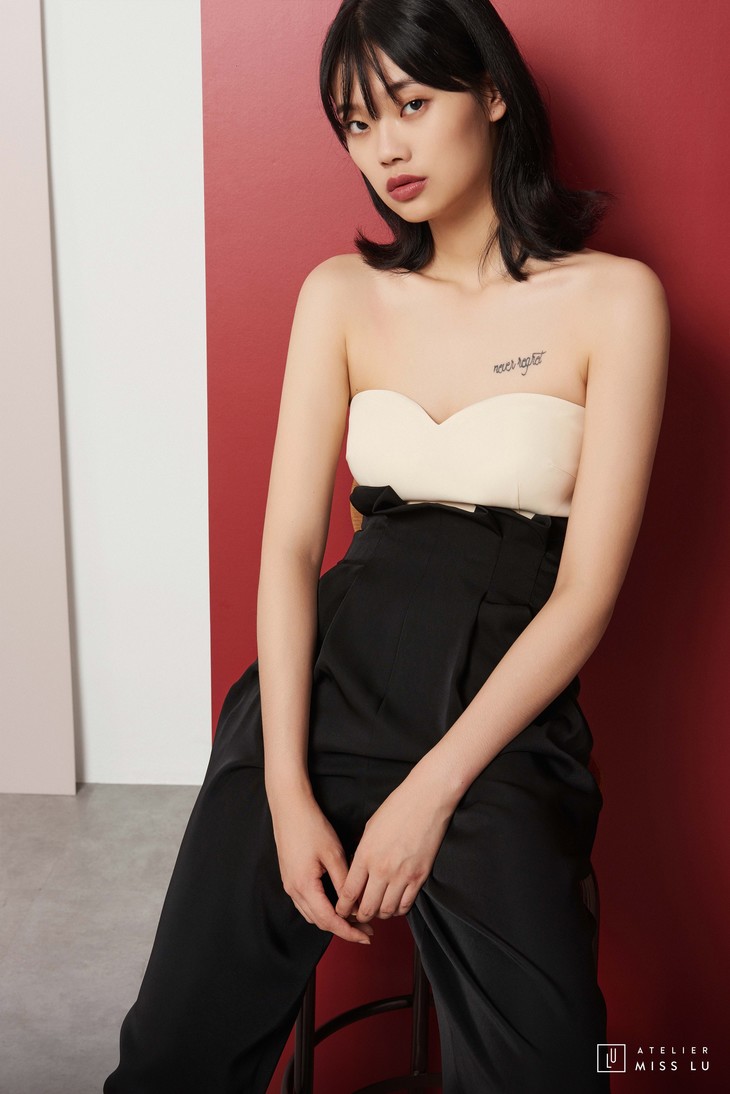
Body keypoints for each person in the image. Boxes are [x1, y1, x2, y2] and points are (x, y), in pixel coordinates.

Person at [103, 0, 669, 1091]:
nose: (385, 149)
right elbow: (289, 548)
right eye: (357, 123)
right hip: (325, 684)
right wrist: (284, 788)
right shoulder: (341, 294)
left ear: (492, 92)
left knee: (545, 1071)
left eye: (410, 104)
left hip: (499, 712)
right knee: (170, 1052)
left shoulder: (613, 301)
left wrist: (430, 792)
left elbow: (586, 593)